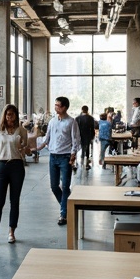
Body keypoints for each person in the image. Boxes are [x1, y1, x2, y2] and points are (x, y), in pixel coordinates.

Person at [0, 103, 29, 245]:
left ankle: (11, 232)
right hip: (1, 166)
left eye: (12, 114)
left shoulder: (21, 130)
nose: (9, 117)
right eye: (7, 114)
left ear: (16, 115)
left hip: (16, 166)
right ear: (4, 115)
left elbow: (25, 149)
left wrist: (23, 147)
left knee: (14, 201)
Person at [44, 96, 80, 226]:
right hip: (53, 156)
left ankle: (63, 214)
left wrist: (73, 154)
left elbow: (75, 139)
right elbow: (46, 138)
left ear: (64, 107)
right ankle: (67, 207)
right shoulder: (52, 121)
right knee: (54, 187)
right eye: (55, 105)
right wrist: (35, 147)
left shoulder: (71, 122)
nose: (55, 107)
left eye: (58, 105)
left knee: (65, 186)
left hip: (65, 157)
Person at [75, 105, 96, 170]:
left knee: (79, 147)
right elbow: (92, 128)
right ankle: (86, 160)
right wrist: (93, 135)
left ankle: (79, 159)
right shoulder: (91, 118)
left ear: (82, 110)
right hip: (88, 135)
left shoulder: (77, 118)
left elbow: (75, 128)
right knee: (87, 147)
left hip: (79, 135)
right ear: (87, 110)